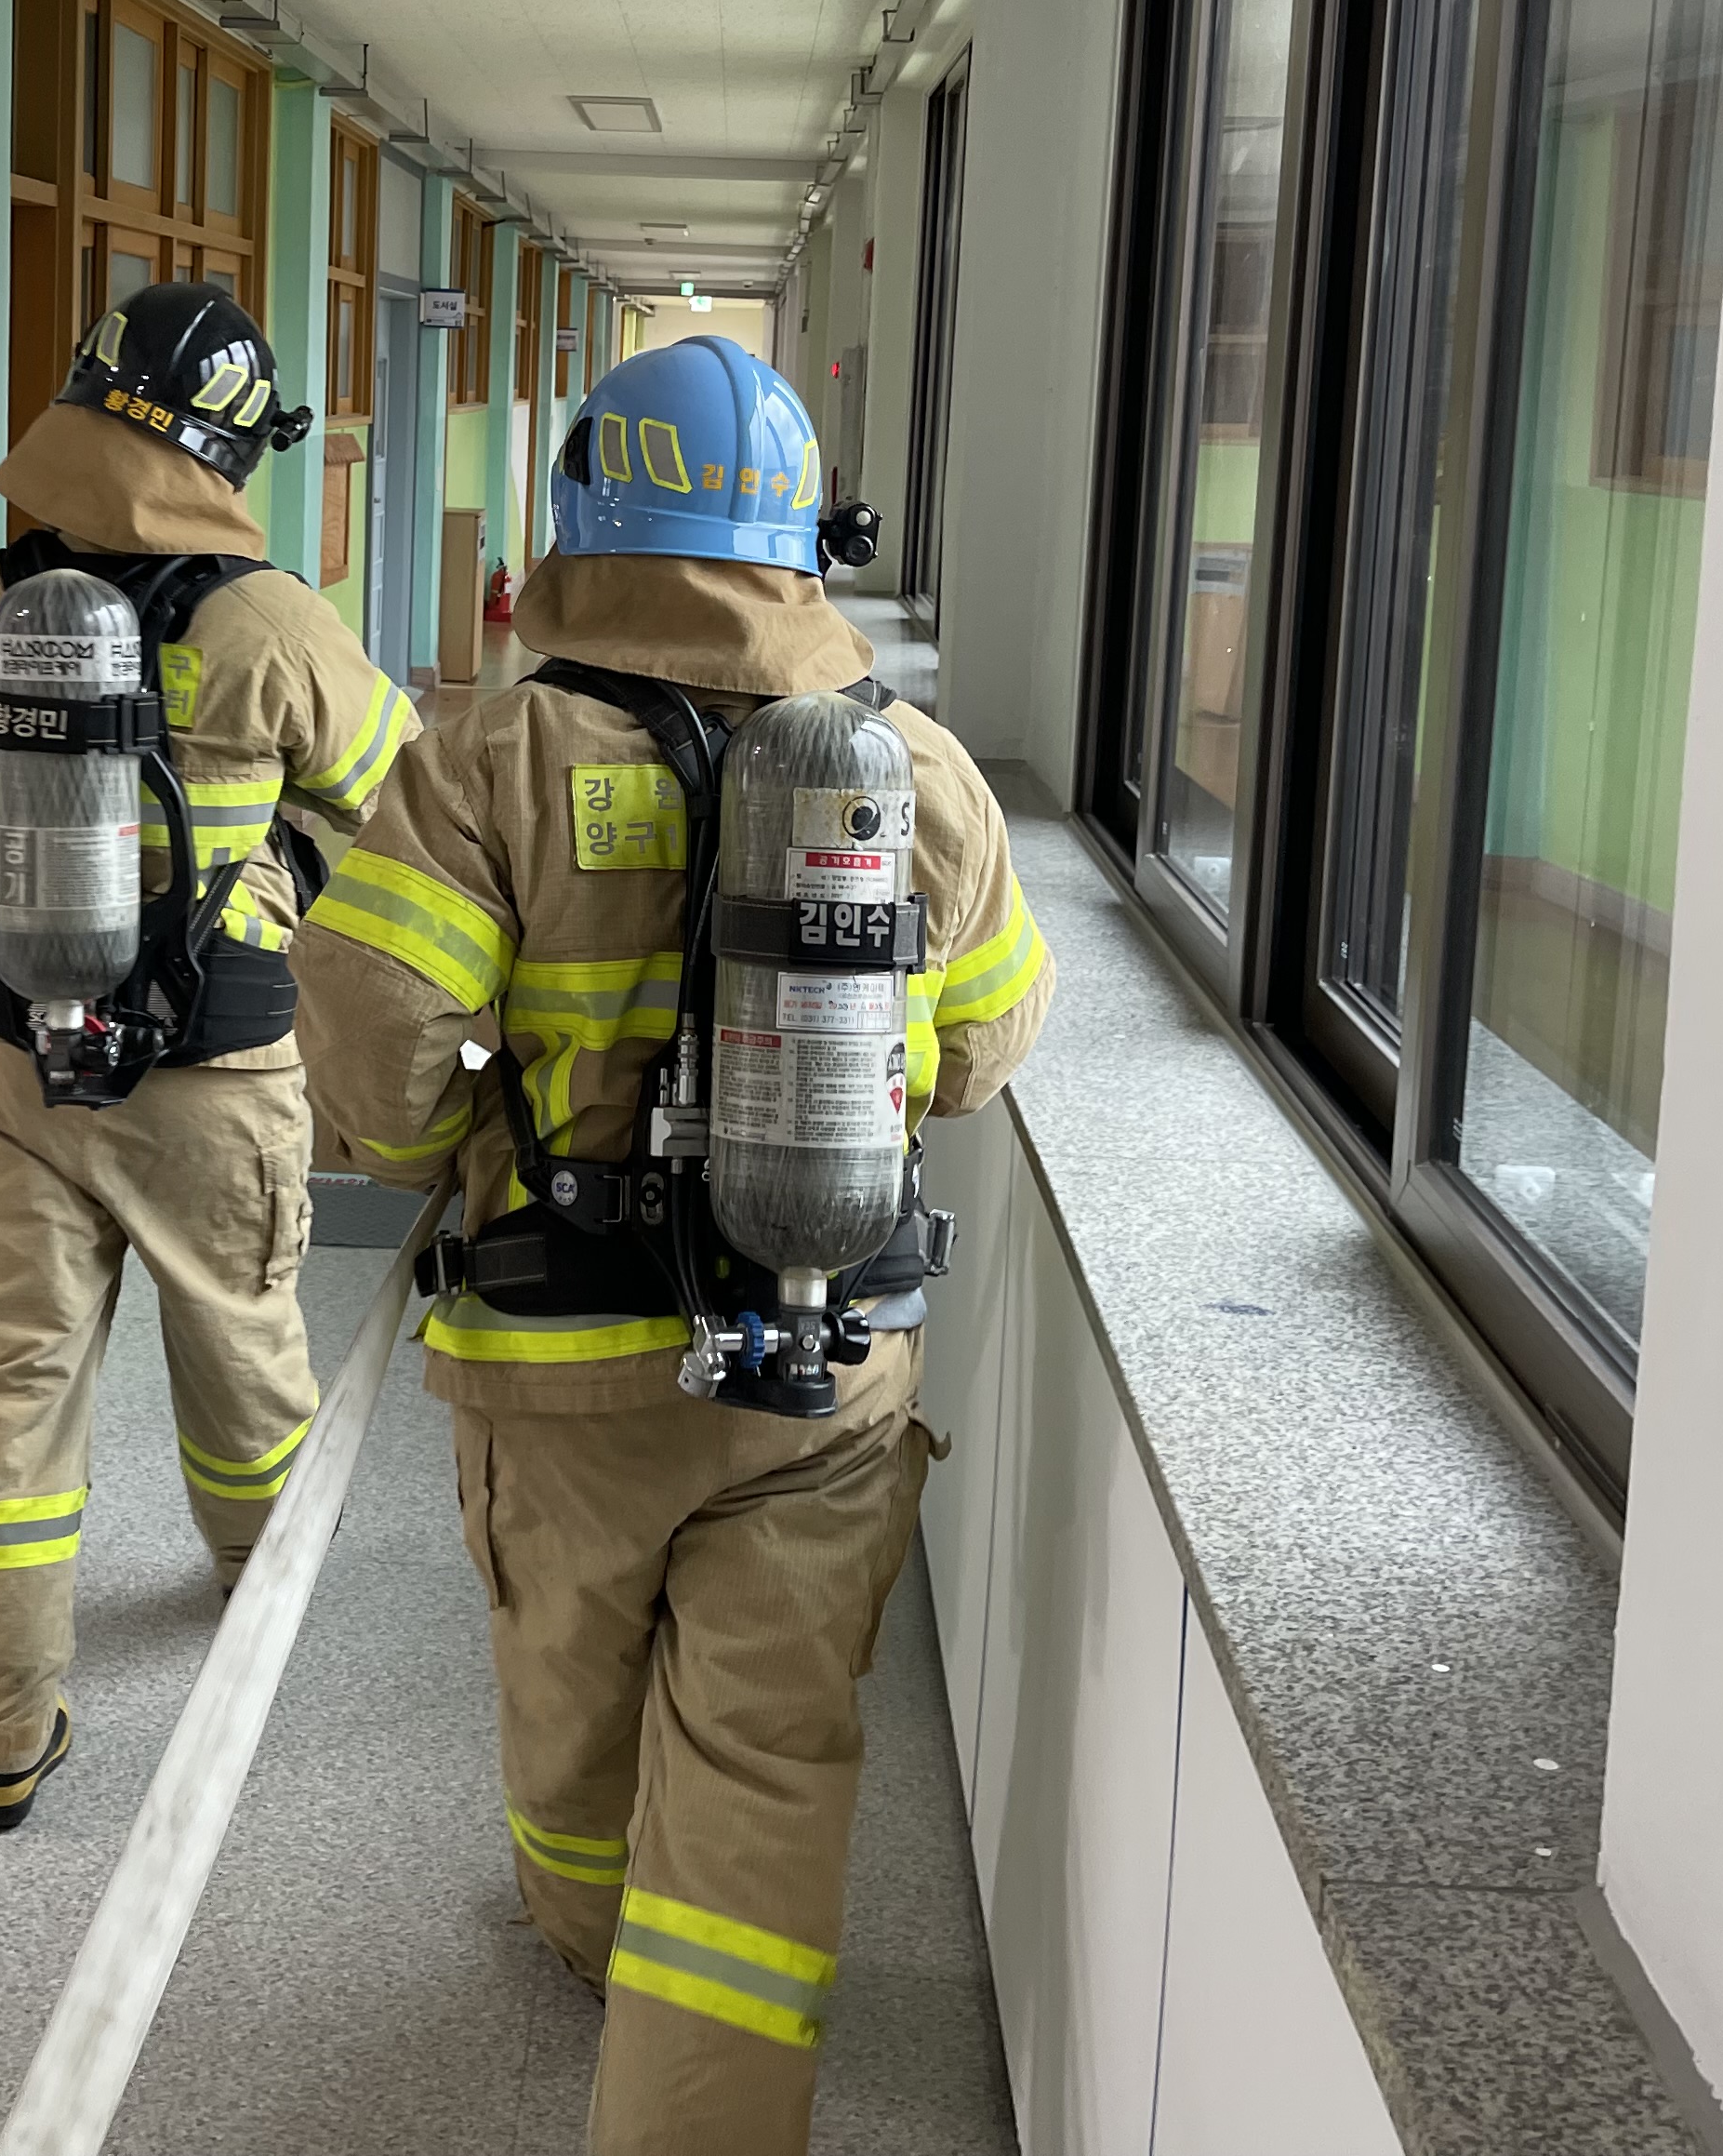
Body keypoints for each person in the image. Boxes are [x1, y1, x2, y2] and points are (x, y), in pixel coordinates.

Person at [297, 335, 1053, 2152]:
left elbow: (382, 1062)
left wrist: (469, 1132)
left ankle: (590, 1941)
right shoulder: (915, 770)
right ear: (796, 543)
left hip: (565, 1372)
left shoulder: (490, 759)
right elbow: (983, 1051)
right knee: (767, 1765)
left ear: (583, 520)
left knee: (570, 1720)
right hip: (826, 1360)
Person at [0, 279, 417, 1831]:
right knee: (243, 1348)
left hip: (15, 1048)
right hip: (214, 1063)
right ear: (229, 450)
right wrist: (285, 859)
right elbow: (400, 791)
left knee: (15, 1377)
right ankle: (257, 1602)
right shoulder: (271, 622)